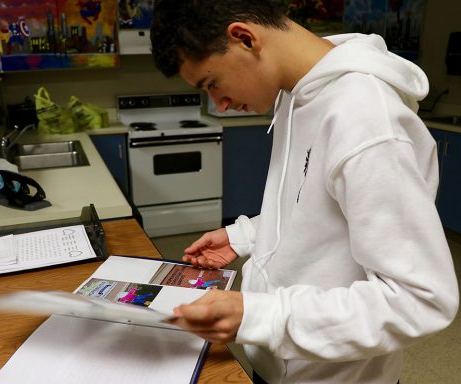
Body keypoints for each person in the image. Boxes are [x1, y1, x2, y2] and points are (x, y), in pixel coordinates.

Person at [150, 1, 459, 383]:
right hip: (279, 363)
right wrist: (242, 236)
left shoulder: (365, 117)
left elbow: (421, 299)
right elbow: (314, 209)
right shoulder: (295, 93)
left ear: (244, 38)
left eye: (212, 83)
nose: (221, 103)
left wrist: (261, 316)